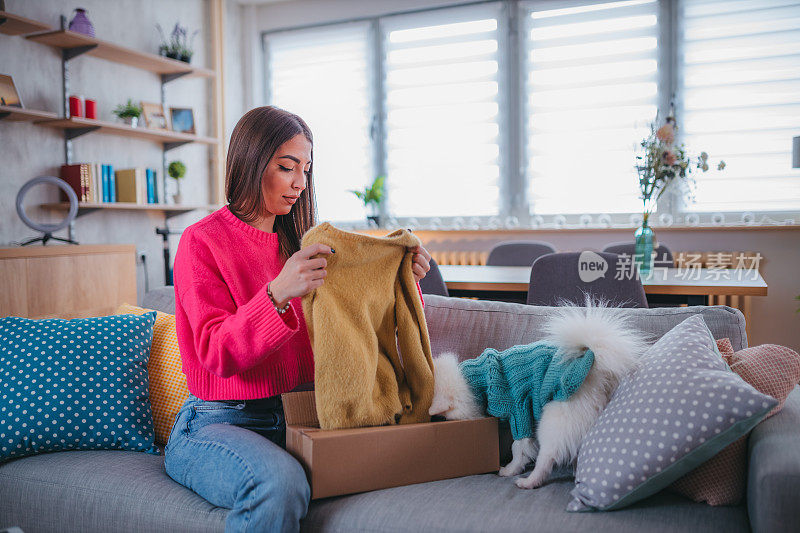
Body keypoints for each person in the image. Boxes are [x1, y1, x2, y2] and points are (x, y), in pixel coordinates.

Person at [164, 105, 432, 533]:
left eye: (306, 170)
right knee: (279, 484)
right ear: (251, 162)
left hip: (302, 412)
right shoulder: (202, 242)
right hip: (219, 422)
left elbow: (357, 318)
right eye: (287, 167)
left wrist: (406, 281)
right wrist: (275, 294)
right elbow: (213, 352)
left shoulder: (305, 243)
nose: (299, 184)